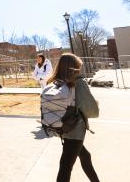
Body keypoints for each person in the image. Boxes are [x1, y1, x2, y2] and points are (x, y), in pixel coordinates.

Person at [50, 54, 100, 182]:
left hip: (62, 127)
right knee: (65, 168)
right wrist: (96, 104)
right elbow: (91, 110)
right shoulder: (78, 82)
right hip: (75, 129)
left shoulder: (56, 82)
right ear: (74, 67)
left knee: (85, 156)